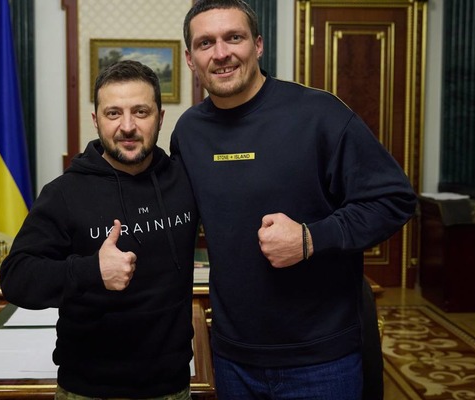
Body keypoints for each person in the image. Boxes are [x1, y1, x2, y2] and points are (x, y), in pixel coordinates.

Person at [171, 1, 417, 399]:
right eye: (205, 43)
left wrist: (310, 238)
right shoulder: (188, 132)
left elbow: (394, 199)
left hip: (321, 359)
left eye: (234, 37)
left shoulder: (319, 113)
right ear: (190, 58)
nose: (221, 53)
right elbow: (176, 220)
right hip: (234, 356)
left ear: (258, 45)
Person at [0, 60, 199, 400]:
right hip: (88, 390)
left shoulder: (184, 180)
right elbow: (16, 277)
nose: (127, 126)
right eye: (113, 113)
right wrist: (91, 271)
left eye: (141, 112)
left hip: (172, 387)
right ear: (96, 120)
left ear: (160, 117)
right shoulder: (64, 193)